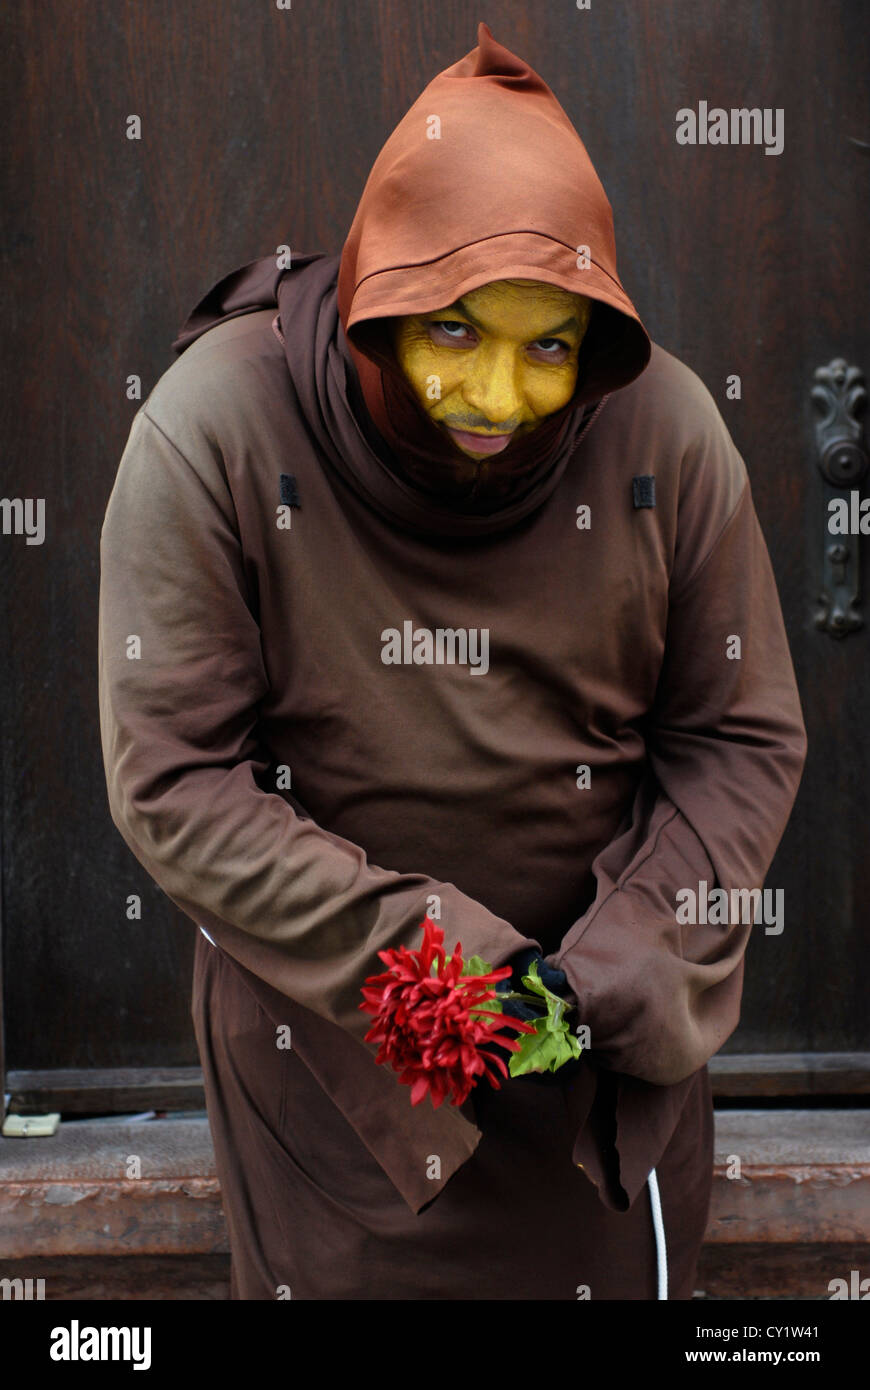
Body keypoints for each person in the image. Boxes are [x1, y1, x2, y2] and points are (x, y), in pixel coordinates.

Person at [98, 22, 807, 1300]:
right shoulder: (216, 426)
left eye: (548, 347)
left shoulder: (666, 432)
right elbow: (175, 779)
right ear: (378, 298)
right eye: (455, 332)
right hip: (337, 1074)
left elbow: (739, 738)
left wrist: (628, 956)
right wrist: (432, 965)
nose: (496, 396)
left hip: (605, 1067)